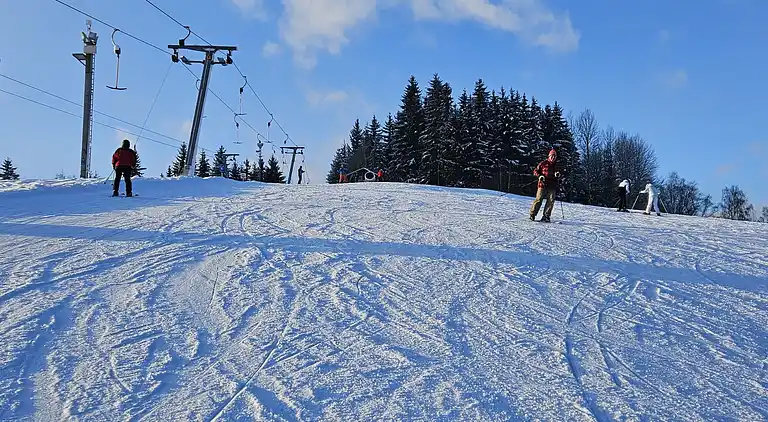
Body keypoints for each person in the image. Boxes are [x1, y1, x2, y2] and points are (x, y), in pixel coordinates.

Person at [529, 148, 561, 222]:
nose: (553, 157)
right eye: (552, 156)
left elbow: (560, 172)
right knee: (538, 200)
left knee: (551, 201)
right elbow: (535, 171)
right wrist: (540, 176)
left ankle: (546, 216)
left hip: (552, 185)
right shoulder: (543, 163)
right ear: (549, 156)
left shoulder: (557, 165)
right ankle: (532, 214)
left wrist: (558, 174)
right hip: (542, 184)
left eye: (554, 156)